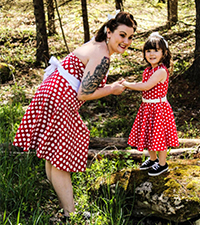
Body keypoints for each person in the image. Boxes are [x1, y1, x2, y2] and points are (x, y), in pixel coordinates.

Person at [12, 11, 137, 220]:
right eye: (122, 35)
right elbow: (84, 93)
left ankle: (66, 209)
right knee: (61, 158)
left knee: (53, 155)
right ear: (109, 31)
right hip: (59, 99)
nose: (126, 41)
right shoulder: (102, 55)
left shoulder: (97, 45)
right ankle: (72, 215)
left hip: (50, 93)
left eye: (130, 37)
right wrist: (112, 88)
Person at [122, 32, 179, 176]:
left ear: (164, 53)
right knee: (149, 134)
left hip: (158, 108)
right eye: (148, 51)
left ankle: (162, 164)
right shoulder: (148, 70)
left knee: (159, 137)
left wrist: (127, 84)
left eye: (156, 50)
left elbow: (146, 86)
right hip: (147, 107)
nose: (151, 54)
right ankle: (153, 159)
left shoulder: (161, 71)